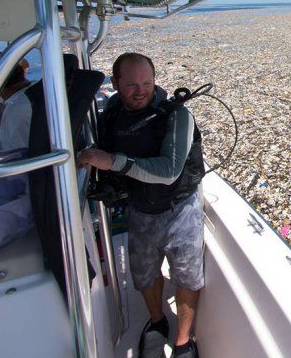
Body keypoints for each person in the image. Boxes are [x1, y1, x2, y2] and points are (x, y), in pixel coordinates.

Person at [77, 52, 206, 358]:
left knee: (187, 274)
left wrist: (111, 162)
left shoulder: (176, 116)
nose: (140, 90)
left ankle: (183, 341)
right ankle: (158, 322)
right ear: (115, 83)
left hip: (180, 208)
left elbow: (169, 170)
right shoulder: (111, 115)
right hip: (139, 208)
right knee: (144, 273)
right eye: (132, 84)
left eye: (147, 82)